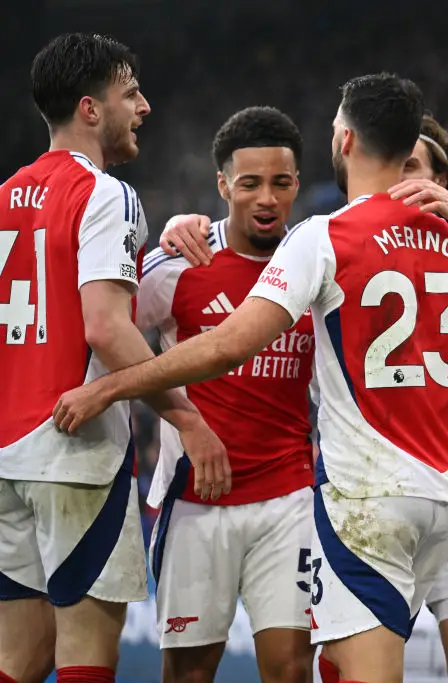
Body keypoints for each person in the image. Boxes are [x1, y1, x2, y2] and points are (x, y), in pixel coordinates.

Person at [52, 72, 448, 683]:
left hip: (364, 501)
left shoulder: (323, 237)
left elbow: (225, 346)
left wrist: (109, 387)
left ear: (345, 141)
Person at [0, 33, 227, 683]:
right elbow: (106, 327)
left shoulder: (6, 195)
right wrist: (185, 416)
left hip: (7, 452)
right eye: (131, 93)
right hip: (74, 451)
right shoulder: (105, 194)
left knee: (18, 655)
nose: (145, 107)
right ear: (90, 110)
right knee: (87, 649)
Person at [137, 106, 316, 683]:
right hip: (195, 501)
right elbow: (112, 340)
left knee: (290, 670)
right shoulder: (175, 264)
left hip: (289, 497)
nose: (267, 198)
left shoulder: (317, 265)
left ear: (296, 184)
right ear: (222, 185)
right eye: (250, 184)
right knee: (188, 673)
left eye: (281, 183)